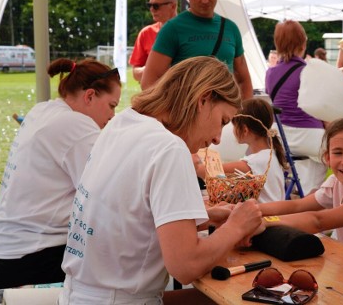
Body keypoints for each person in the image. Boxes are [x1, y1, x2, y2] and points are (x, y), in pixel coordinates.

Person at [58, 56, 263, 304]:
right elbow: (186, 265)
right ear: (204, 99)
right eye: (222, 121)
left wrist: (204, 218)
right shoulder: (169, 148)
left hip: (78, 294)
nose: (218, 138)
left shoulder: (123, 122)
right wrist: (237, 227)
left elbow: (127, 214)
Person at [0, 58, 122, 291]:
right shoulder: (76, 125)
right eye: (111, 106)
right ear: (89, 96)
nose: (112, 116)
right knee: (125, 268)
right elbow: (107, 196)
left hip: (0, 254)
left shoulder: (44, 109)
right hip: (24, 262)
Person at [258, 116, 343, 249]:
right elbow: (297, 205)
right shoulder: (335, 182)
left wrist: (263, 222)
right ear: (327, 158)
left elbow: (318, 221)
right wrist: (252, 210)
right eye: (338, 153)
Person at [141, 0, 253, 100]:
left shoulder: (231, 28)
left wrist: (242, 115)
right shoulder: (172, 29)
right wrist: (178, 111)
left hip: (226, 118)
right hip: (186, 118)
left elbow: (244, 80)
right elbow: (148, 83)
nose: (205, 0)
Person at [265, 20, 327, 195]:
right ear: (303, 43)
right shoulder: (309, 71)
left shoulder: (270, 73)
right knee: (329, 150)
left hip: (279, 136)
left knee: (301, 163)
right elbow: (320, 107)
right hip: (309, 137)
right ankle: (308, 195)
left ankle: (294, 189)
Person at [195, 98, 287, 203]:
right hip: (275, 211)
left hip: (267, 215)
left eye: (234, 126)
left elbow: (210, 172)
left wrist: (192, 160)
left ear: (244, 130)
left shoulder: (255, 162)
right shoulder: (271, 153)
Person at [129, 0, 178, 83]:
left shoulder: (188, 30)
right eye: (149, 5)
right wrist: (153, 69)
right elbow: (135, 72)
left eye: (156, 6)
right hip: (155, 95)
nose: (151, 9)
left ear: (172, 6)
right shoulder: (146, 33)